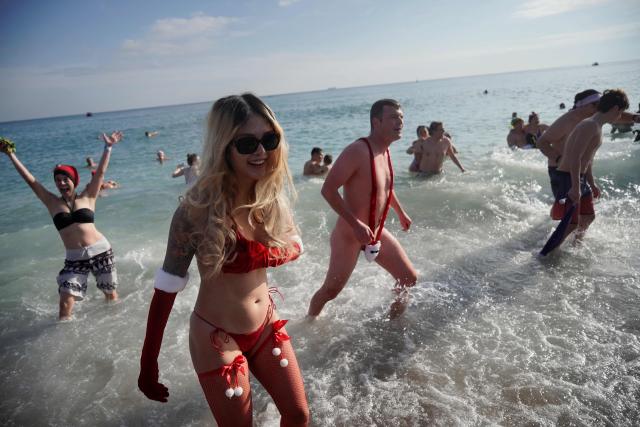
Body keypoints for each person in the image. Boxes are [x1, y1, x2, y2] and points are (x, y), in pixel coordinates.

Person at [138, 94, 309, 426]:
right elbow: (166, 288)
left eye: (269, 140)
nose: (261, 151)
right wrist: (148, 364)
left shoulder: (270, 197)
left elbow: (293, 244)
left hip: (266, 325)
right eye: (246, 144)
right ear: (224, 148)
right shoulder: (196, 212)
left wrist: (278, 251)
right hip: (217, 336)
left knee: (298, 415)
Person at [307, 99, 417, 320]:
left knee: (408, 279)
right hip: (350, 234)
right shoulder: (358, 150)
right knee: (330, 291)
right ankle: (308, 323)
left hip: (375, 232)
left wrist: (400, 212)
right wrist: (355, 224)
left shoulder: (384, 151)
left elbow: (384, 187)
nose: (400, 122)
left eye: (402, 117)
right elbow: (328, 190)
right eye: (394, 118)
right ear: (376, 122)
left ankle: (393, 325)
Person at [0, 132, 122, 320]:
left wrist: (108, 147)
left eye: (65, 179)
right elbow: (31, 180)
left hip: (100, 252)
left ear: (74, 181)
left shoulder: (88, 196)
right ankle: (63, 339)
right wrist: (10, 154)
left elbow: (100, 173)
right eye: (57, 180)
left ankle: (116, 324)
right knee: (65, 304)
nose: (61, 183)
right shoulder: (51, 202)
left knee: (110, 296)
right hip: (74, 260)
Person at [544, 89, 632, 251]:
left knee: (588, 217)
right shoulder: (590, 125)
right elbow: (575, 158)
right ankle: (545, 255)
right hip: (568, 177)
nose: (620, 117)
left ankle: (576, 247)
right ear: (614, 109)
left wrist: (592, 183)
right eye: (620, 112)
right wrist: (576, 187)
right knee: (571, 224)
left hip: (580, 177)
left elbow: (587, 159)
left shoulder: (596, 126)